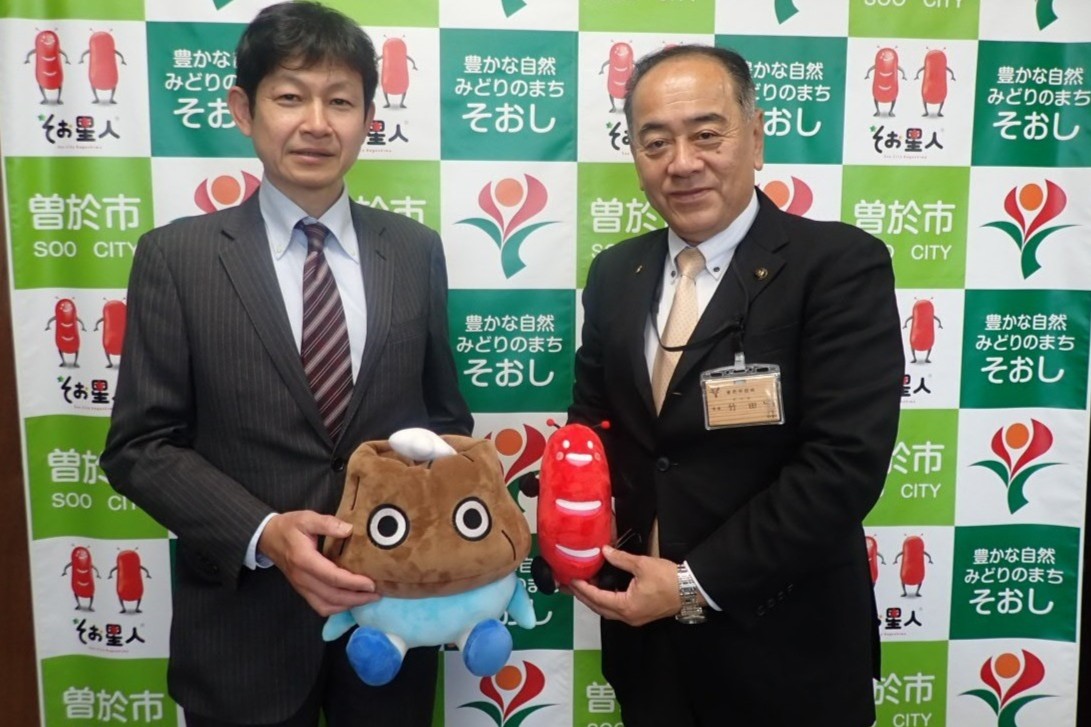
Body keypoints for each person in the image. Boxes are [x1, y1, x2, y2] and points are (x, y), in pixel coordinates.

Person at [100, 3, 472, 725]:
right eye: (291, 96)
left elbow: (443, 419)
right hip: (244, 631)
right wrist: (263, 531)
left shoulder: (413, 250)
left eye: (341, 101)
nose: (317, 123)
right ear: (244, 109)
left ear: (369, 118)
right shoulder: (177, 257)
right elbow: (141, 446)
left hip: (390, 624)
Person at [566, 44, 904, 727]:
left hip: (787, 653)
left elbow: (843, 465)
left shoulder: (838, 265)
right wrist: (565, 538)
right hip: (648, 649)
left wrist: (691, 584)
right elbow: (593, 426)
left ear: (755, 137)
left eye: (706, 134)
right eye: (655, 142)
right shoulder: (616, 273)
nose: (681, 162)